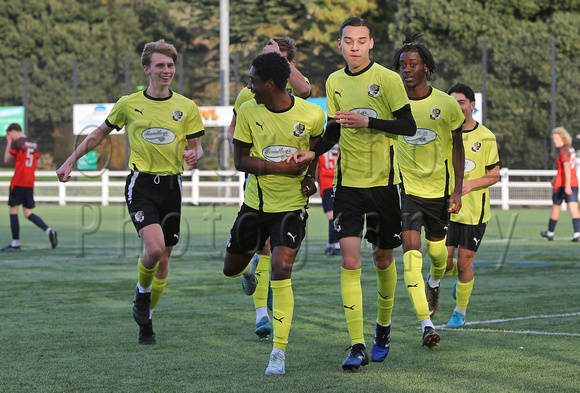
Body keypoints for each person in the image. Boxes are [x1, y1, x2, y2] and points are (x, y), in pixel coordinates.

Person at [287, 17, 416, 370]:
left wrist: (370, 122)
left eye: (361, 40)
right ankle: (356, 345)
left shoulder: (388, 80)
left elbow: (409, 125)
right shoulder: (334, 81)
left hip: (385, 187)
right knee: (349, 261)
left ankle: (383, 328)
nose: (355, 46)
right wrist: (315, 152)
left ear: (371, 43)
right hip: (347, 188)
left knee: (383, 260)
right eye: (348, 41)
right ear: (340, 44)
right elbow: (333, 129)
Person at [56, 39, 204, 345]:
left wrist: (194, 155)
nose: (166, 71)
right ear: (147, 69)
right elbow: (99, 133)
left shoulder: (187, 107)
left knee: (163, 261)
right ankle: (141, 295)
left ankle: (146, 321)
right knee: (152, 249)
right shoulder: (128, 103)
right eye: (160, 65)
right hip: (142, 185)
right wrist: (71, 160)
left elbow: (197, 147)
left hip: (172, 187)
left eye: (170, 65)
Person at [223, 52, 324, 375]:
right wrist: (279, 168)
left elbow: (315, 153)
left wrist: (311, 178)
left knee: (282, 268)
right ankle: (251, 266)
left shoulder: (311, 114)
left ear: (269, 84)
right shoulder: (249, 110)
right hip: (255, 205)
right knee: (231, 268)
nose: (248, 86)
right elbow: (240, 161)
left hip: (292, 207)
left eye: (252, 81)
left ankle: (278, 352)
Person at [393, 32, 465, 348]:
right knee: (411, 256)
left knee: (439, 256)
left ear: (425, 67)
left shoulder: (447, 105)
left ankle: (434, 282)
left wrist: (458, 190)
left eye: (413, 64)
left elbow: (459, 149)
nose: (406, 69)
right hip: (407, 190)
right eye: (402, 65)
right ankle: (426, 324)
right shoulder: (392, 103)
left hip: (440, 192)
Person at [444, 83, 500, 327]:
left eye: (461, 102)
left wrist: (470, 184)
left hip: (474, 211)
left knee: (465, 263)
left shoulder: (486, 136)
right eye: (452, 103)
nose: (457, 107)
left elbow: (495, 174)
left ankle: (460, 312)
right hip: (446, 208)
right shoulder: (443, 134)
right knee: (443, 263)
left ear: (472, 105)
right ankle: (453, 279)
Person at [2, 123, 58, 251]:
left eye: (9, 135)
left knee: (13, 210)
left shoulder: (17, 143)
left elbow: (6, 159)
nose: (9, 137)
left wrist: (9, 142)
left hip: (18, 181)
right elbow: (36, 161)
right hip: (29, 182)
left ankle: (15, 243)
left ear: (13, 131)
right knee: (28, 213)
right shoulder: (33, 143)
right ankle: (49, 231)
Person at [540, 126, 580, 242]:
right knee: (573, 208)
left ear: (563, 138)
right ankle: (577, 233)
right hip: (573, 182)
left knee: (556, 207)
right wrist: (555, 178)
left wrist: (566, 185)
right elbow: (563, 169)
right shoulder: (570, 149)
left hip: (564, 184)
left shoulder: (563, 150)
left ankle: (550, 233)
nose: (554, 141)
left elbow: (567, 167)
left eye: (556, 138)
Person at [317, 144, 340, 255]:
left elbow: (317, 173)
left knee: (332, 217)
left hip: (326, 187)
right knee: (336, 217)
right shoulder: (342, 152)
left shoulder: (322, 154)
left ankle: (331, 244)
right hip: (337, 186)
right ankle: (334, 244)